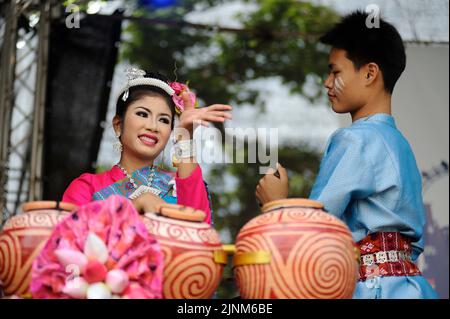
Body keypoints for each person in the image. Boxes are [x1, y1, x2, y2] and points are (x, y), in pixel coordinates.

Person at [255, 11, 437, 299]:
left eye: (335, 72)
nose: (327, 83)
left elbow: (317, 230)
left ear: (369, 73)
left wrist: (276, 204)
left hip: (370, 289)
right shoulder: (401, 145)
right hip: (412, 287)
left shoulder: (354, 139)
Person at [63, 68, 232, 224]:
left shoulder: (178, 186)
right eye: (142, 114)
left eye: (164, 120)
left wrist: (185, 135)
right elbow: (69, 238)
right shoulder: (87, 187)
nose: (153, 126)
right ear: (118, 125)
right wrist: (136, 204)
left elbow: (198, 232)